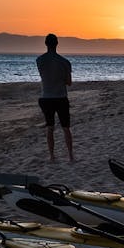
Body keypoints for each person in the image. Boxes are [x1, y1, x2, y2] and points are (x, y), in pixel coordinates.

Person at [36, 33, 74, 162]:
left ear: (46, 44)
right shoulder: (64, 62)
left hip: (46, 97)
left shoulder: (39, 60)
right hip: (61, 96)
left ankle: (52, 156)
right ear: (57, 44)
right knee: (66, 128)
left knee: (50, 127)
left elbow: (44, 76)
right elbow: (69, 82)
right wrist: (60, 78)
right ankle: (70, 156)